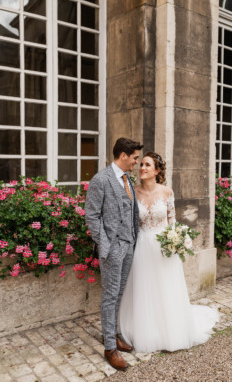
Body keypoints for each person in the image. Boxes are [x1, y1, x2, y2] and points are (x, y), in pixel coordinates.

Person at [119, 152, 219, 353]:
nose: (142, 168)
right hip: (141, 246)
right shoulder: (132, 191)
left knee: (165, 288)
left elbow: (172, 221)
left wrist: (177, 239)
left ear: (157, 171)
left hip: (164, 247)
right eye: (142, 165)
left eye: (148, 165)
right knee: (143, 288)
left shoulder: (166, 192)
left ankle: (169, 329)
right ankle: (146, 330)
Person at [85, 137, 143, 370]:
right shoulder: (101, 180)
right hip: (112, 248)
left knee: (118, 293)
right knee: (109, 296)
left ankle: (115, 333)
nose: (137, 163)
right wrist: (105, 245)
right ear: (123, 156)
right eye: (135, 158)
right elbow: (91, 216)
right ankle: (110, 347)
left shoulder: (127, 179)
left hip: (129, 245)